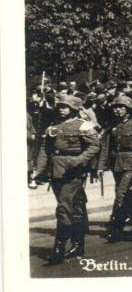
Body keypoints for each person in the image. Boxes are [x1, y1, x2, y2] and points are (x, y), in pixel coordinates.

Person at [34, 94, 100, 265]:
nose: (62, 109)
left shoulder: (83, 125)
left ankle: (59, 248)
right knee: (74, 207)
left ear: (74, 109)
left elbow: (94, 146)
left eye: (66, 107)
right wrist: (39, 170)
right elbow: (45, 149)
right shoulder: (53, 126)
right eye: (60, 106)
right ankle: (78, 245)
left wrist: (79, 160)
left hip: (73, 170)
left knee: (64, 207)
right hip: (56, 170)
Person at [97, 94, 132, 242]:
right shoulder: (112, 126)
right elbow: (106, 148)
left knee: (121, 193)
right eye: (116, 108)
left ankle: (117, 228)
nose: (117, 110)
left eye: (121, 107)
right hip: (116, 164)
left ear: (128, 109)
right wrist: (101, 166)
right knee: (129, 195)